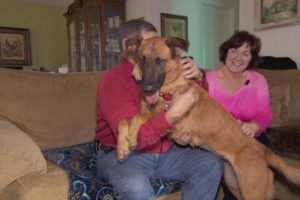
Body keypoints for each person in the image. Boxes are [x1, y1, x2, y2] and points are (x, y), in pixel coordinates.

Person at [95, 19, 223, 200]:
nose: (155, 47)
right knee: (135, 184)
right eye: (148, 44)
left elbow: (191, 99)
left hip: (166, 152)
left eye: (158, 43)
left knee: (212, 164)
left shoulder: (160, 69)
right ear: (129, 45)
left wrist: (198, 75)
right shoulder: (113, 81)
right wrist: (172, 117)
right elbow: (136, 138)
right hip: (124, 155)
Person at [204, 30, 273, 200]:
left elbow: (265, 112)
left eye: (245, 53)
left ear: (252, 58)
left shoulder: (258, 80)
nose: (238, 58)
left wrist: (254, 126)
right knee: (229, 172)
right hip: (217, 138)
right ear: (225, 52)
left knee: (260, 158)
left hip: (249, 134)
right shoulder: (208, 79)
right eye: (234, 51)